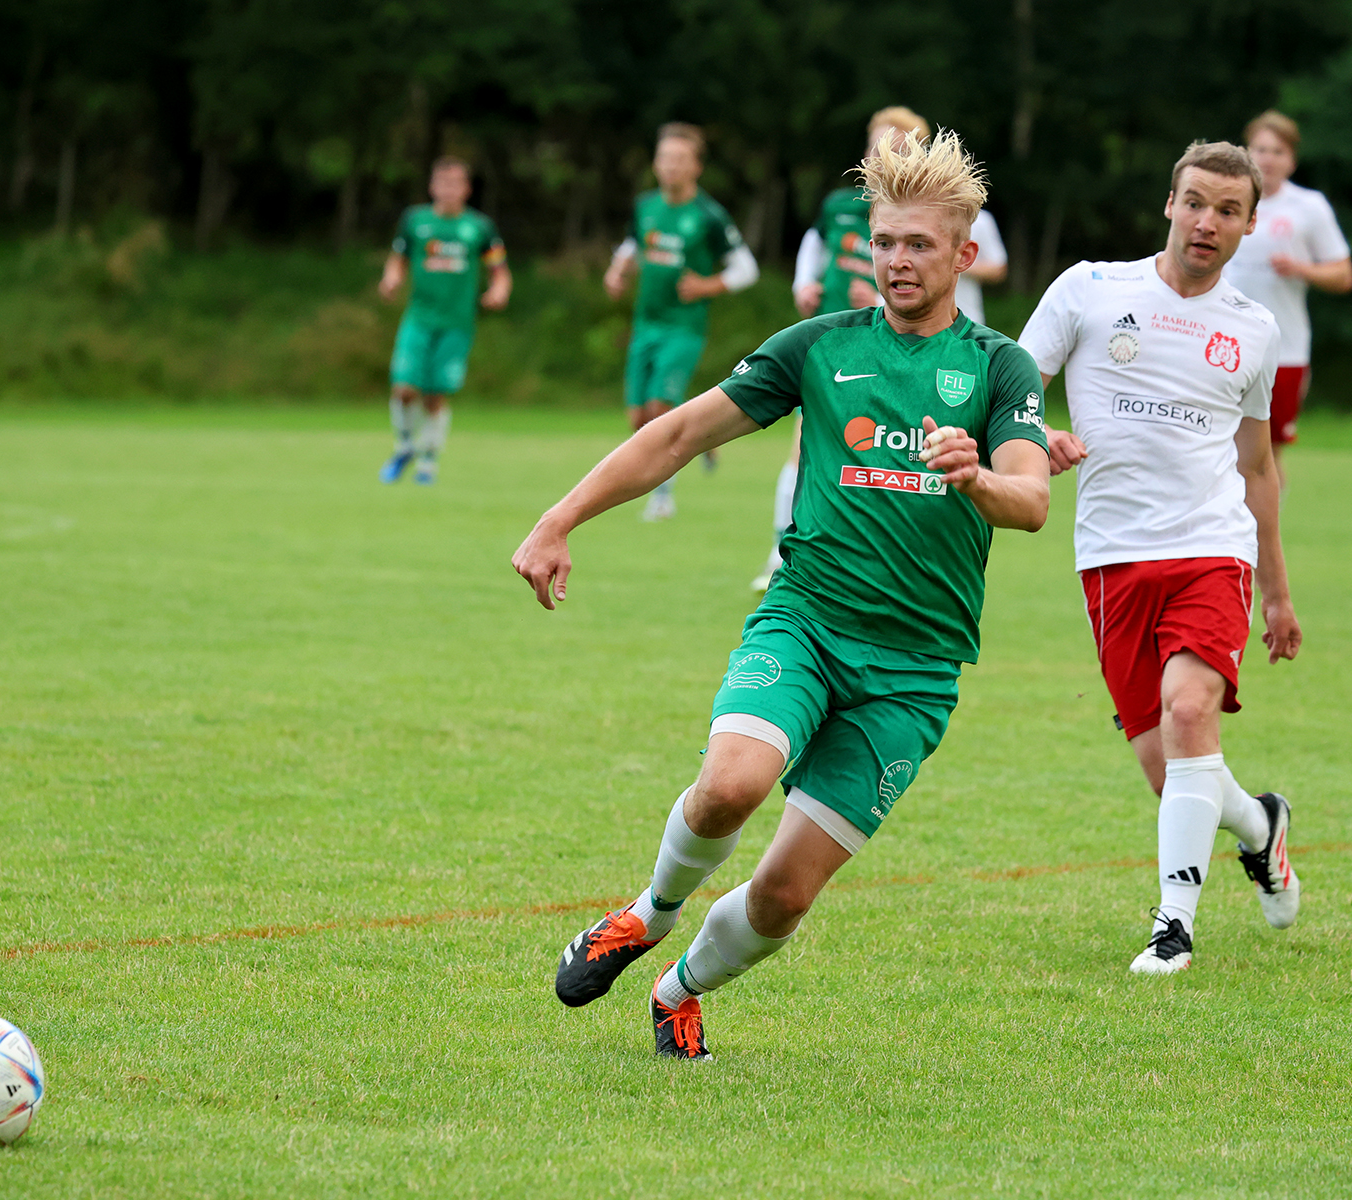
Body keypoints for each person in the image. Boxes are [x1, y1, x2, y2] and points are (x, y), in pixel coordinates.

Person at [517, 129, 1051, 1059]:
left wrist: (974, 478)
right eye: (883, 242)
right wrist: (559, 518)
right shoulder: (818, 348)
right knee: (729, 788)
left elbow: (1032, 498)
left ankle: (677, 991)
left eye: (917, 245)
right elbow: (679, 434)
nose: (893, 262)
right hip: (806, 622)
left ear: (965, 253)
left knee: (783, 898)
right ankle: (647, 914)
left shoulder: (1000, 367)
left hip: (915, 674)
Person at [1017, 140, 1304, 976]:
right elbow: (1012, 387)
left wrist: (1278, 594)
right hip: (1110, 556)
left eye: (1227, 210)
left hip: (1213, 547)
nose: (1207, 221)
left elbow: (1257, 467)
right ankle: (1262, 827)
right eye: (1195, 202)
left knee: (1188, 717)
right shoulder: (1090, 290)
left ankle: (1172, 927)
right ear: (1169, 204)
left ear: (1250, 225)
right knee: (1169, 769)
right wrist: (1039, 435)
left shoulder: (1254, 328)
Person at [762, 107, 1008, 590]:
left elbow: (996, 266)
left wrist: (940, 250)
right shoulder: (842, 210)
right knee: (815, 450)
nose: (882, 158)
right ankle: (785, 551)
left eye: (918, 244)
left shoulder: (965, 215)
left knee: (920, 465)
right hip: (857, 355)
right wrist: (805, 285)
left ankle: (912, 574)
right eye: (885, 243)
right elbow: (814, 248)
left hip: (947, 355)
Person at [605, 123, 759, 521]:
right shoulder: (646, 207)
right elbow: (633, 246)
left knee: (659, 408)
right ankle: (706, 437)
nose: (670, 166)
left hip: (684, 327)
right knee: (638, 418)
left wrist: (708, 285)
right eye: (664, 158)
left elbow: (746, 268)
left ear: (696, 167)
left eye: (679, 159)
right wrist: (617, 270)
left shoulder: (708, 215)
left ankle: (662, 497)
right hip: (646, 325)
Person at [1221, 110, 1352, 486]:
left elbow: (1343, 274)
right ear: (1246, 152)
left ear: (1291, 159)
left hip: (1284, 348)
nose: (1267, 158)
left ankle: (1264, 537)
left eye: (1277, 151)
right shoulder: (1227, 197)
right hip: (1222, 342)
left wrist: (1302, 269)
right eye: (1260, 149)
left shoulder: (1308, 207)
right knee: (1214, 440)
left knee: (1266, 448)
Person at [378, 157, 511, 486]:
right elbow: (398, 260)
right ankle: (405, 445)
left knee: (435, 396)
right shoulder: (415, 221)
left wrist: (498, 290)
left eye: (456, 183)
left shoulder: (478, 228)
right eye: (443, 183)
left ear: (466, 189)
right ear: (432, 186)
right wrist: (391, 280)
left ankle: (429, 459)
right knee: (405, 389)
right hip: (419, 319)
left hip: (456, 324)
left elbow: (500, 270)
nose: (449, 190)